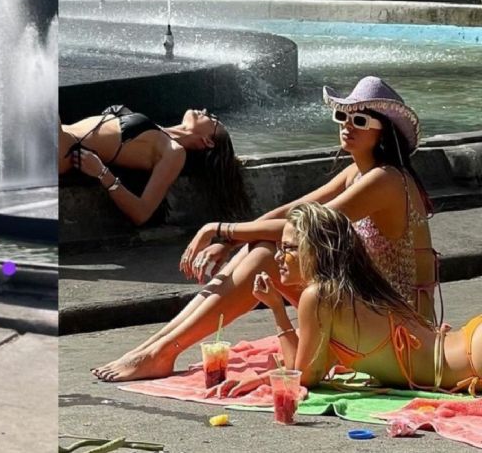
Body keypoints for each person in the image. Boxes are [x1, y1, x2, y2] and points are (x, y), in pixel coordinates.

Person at [92, 76, 437, 382]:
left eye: (360, 120)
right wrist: (232, 240)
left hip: (397, 323)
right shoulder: (356, 174)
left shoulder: (386, 180)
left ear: (383, 133)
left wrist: (221, 229)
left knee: (266, 257)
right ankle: (156, 346)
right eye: (342, 116)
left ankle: (162, 353)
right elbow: (291, 210)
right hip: (364, 304)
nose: (348, 125)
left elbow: (303, 226)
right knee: (259, 246)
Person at [213, 203, 479, 397]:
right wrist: (264, 375)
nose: (278, 257)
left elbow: (304, 376)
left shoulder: (319, 296)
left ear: (316, 250)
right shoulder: (350, 288)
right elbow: (310, 366)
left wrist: (277, 310)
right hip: (469, 347)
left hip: (469, 359)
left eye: (288, 248)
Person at [59, 106, 247, 226]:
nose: (206, 111)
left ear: (208, 142)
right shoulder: (159, 130)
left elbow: (142, 212)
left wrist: (102, 173)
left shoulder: (174, 152)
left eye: (213, 119)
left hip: (62, 149)